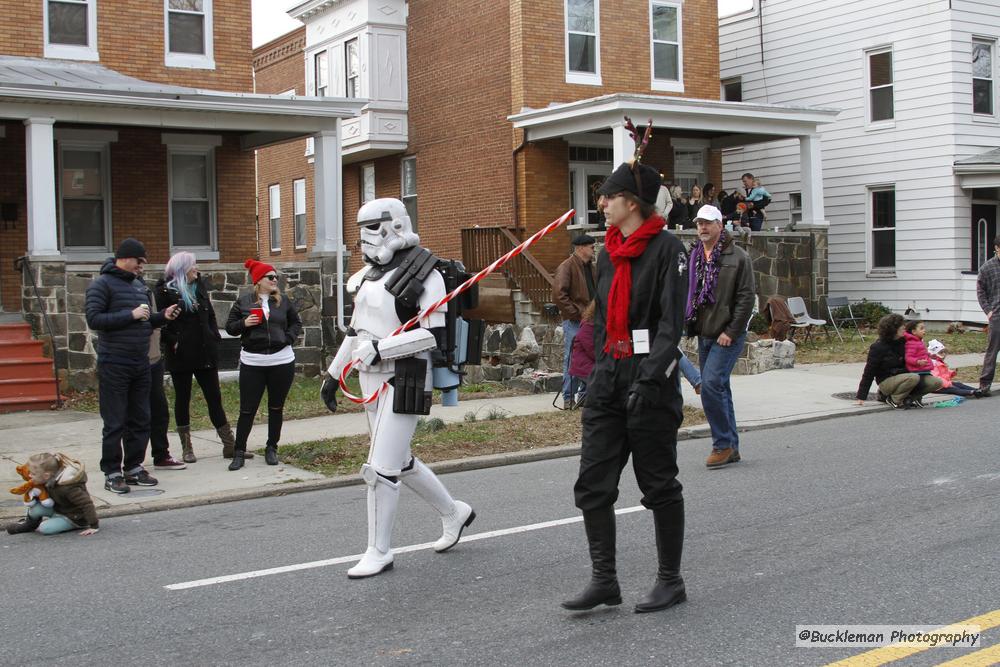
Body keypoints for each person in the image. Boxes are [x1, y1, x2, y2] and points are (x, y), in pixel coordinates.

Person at [321, 197, 476, 579]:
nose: (366, 238)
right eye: (362, 230)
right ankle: (454, 512)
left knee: (381, 468)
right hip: (369, 377)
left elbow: (432, 335)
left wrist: (381, 349)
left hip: (405, 375)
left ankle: (379, 551)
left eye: (374, 227)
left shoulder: (428, 273)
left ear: (395, 225)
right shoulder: (367, 275)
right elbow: (357, 332)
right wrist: (333, 372)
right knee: (400, 461)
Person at [563, 154, 689, 615]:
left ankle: (670, 581)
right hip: (609, 378)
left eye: (608, 195)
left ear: (632, 203)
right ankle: (604, 580)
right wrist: (595, 372)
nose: (601, 202)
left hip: (649, 381)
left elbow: (671, 326)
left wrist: (650, 378)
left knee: (658, 485)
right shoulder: (608, 254)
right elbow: (599, 319)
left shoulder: (669, 250)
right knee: (593, 484)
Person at [85, 238, 180, 494]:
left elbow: (145, 321)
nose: (141, 267)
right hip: (115, 362)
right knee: (115, 420)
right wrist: (131, 315)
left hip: (141, 362)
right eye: (139, 261)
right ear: (125, 258)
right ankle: (112, 472)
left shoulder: (138, 287)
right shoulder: (101, 285)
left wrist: (162, 317)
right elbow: (94, 319)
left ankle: (134, 467)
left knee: (141, 418)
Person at [684, 205, 756, 468]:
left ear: (719, 225)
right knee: (720, 387)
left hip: (727, 333)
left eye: (707, 223)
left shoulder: (738, 257)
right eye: (699, 223)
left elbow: (746, 298)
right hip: (704, 331)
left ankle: (721, 444)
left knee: (711, 385)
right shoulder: (694, 255)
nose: (702, 228)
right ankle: (732, 447)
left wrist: (731, 331)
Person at [156, 252, 241, 464]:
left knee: (214, 398)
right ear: (183, 268)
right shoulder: (164, 291)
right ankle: (187, 447)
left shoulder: (199, 287)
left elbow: (210, 315)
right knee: (182, 399)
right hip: (181, 355)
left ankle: (230, 445)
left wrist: (213, 334)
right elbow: (159, 323)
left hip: (205, 352)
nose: (197, 269)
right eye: (193, 266)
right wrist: (173, 340)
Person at [225, 259, 302, 470]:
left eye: (276, 276)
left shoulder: (283, 301)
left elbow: (296, 323)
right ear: (258, 280)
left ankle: (271, 448)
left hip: (281, 360)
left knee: (276, 407)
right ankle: (239, 451)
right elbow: (230, 327)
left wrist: (288, 338)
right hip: (253, 361)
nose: (275, 280)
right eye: (270, 277)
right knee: (247, 409)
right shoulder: (243, 302)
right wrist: (244, 323)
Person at [855, 314, 942, 409]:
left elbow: (917, 354)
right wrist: (861, 396)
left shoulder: (905, 342)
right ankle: (894, 399)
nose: (904, 327)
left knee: (936, 382)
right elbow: (869, 372)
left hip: (907, 376)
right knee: (913, 378)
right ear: (893, 329)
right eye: (901, 325)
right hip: (887, 380)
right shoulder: (878, 347)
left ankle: (910, 398)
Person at [4, 453, 99, 536]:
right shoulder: (47, 479)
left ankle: (69, 524)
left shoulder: (68, 487)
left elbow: (87, 504)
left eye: (33, 474)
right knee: (35, 509)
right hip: (59, 509)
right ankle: (29, 525)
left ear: (46, 475)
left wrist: (94, 526)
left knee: (44, 529)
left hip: (74, 517)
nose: (30, 476)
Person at [553, 235, 597, 409]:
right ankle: (568, 398)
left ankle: (583, 396)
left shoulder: (592, 268)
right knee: (572, 358)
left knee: (589, 357)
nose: (594, 249)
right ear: (580, 248)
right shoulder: (567, 266)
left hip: (590, 320)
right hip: (576, 321)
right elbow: (558, 295)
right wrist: (577, 314)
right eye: (591, 246)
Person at [145, 299, 187, 471]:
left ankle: (161, 455)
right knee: (133, 416)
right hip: (131, 361)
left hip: (153, 359)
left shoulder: (143, 289)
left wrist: (164, 316)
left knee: (160, 411)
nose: (141, 269)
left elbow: (154, 321)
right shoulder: (111, 286)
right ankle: (129, 465)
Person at [976, 235, 1000, 396]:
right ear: (997, 248)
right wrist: (988, 311)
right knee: (992, 350)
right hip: (997, 316)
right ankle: (984, 385)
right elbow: (980, 291)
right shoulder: (987, 268)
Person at [568, 300, 596, 407]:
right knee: (606, 375)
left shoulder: (592, 325)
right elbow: (593, 351)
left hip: (589, 364)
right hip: (583, 367)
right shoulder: (587, 327)